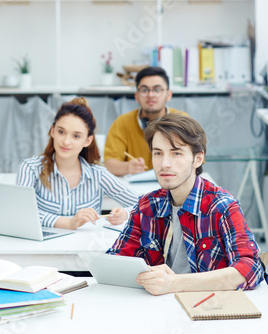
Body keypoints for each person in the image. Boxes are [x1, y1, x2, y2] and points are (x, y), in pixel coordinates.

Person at [107, 114, 264, 295]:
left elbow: (251, 268)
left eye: (176, 153)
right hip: (155, 309)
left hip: (209, 310)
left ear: (198, 159)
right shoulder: (146, 207)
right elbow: (115, 261)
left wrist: (175, 283)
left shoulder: (222, 206)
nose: (164, 164)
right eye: (158, 153)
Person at [16, 97, 139, 230]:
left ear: (87, 140)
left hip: (85, 247)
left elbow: (144, 204)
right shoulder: (30, 168)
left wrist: (125, 214)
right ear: (52, 131)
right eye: (61, 132)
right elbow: (20, 211)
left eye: (76, 136)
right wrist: (68, 223)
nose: (66, 141)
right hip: (41, 248)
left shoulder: (98, 174)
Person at [104, 66, 187, 175]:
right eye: (144, 90)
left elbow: (196, 159)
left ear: (168, 95)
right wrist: (128, 167)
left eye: (157, 90)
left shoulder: (183, 121)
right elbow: (109, 163)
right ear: (137, 96)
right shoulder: (122, 122)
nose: (150, 95)